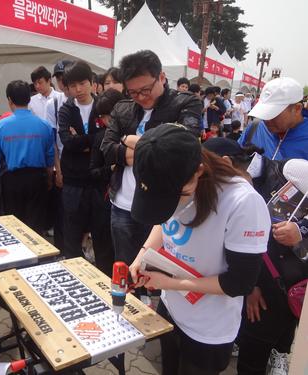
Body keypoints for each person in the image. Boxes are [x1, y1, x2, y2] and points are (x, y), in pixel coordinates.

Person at [128, 124, 270, 375]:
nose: (171, 205)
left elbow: (239, 283)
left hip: (207, 328)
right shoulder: (169, 170)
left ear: (199, 171)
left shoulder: (243, 202)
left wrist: (170, 283)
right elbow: (164, 221)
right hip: (171, 308)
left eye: (175, 196)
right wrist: (142, 255)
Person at [202, 138, 308, 375]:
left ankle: (281, 351)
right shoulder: (226, 190)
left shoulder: (291, 170)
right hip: (254, 282)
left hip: (289, 280)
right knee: (254, 343)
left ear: (227, 163)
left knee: (261, 343)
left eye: (208, 176)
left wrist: (301, 229)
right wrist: (250, 286)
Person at [100, 50, 202, 270]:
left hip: (163, 207)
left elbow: (182, 147)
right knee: (126, 268)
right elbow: (107, 149)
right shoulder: (123, 108)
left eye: (146, 89)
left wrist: (126, 139)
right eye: (133, 92)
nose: (140, 96)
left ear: (162, 78)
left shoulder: (185, 104)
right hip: (122, 203)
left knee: (158, 271)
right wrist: (150, 149)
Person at [58, 60, 108, 261]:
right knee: (72, 232)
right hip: (74, 182)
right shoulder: (66, 109)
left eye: (82, 83)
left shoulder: (102, 106)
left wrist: (82, 139)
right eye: (72, 86)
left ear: (92, 82)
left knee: (102, 233)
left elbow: (107, 138)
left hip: (99, 180)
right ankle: (73, 272)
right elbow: (67, 142)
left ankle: (104, 278)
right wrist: (91, 141)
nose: (78, 90)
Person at [0, 80, 54, 232]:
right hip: (37, 180)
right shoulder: (44, 125)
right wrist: (49, 178)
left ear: (10, 100)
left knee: (13, 226)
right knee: (35, 226)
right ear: (30, 98)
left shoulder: (1, 126)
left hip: (11, 181)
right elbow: (50, 157)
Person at [89, 88, 125, 275]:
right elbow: (93, 171)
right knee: (104, 249)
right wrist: (112, 168)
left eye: (109, 115)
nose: (106, 121)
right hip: (104, 201)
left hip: (130, 204)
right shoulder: (100, 138)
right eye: (103, 117)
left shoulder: (134, 135)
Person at [239, 77, 308, 161]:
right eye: (264, 112)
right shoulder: (255, 128)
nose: (267, 120)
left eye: (274, 113)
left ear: (297, 109)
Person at [44, 59, 73, 250]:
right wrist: (58, 170)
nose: (63, 83)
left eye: (66, 78)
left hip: (85, 167)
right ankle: (63, 251)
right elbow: (53, 141)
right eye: (59, 79)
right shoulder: (53, 103)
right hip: (62, 163)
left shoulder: (88, 99)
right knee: (63, 212)